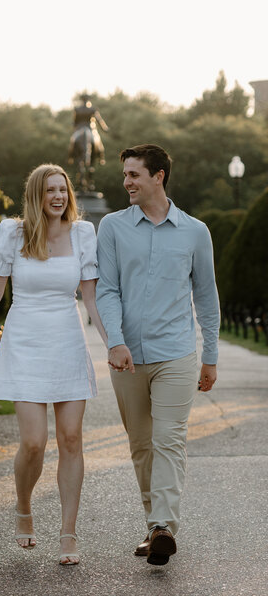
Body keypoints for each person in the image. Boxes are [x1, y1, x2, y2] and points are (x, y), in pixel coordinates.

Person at [0, 163, 107, 566]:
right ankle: (23, 507)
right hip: (24, 343)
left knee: (72, 438)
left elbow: (92, 299)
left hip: (67, 342)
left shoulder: (83, 233)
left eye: (62, 190)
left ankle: (67, 533)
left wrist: (115, 344)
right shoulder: (13, 232)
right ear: (36, 196)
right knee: (33, 442)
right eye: (49, 191)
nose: (58, 197)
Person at [96, 144, 220, 566]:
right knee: (142, 446)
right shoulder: (112, 227)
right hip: (126, 358)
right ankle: (155, 527)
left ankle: (164, 525)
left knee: (169, 440)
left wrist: (211, 355)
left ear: (158, 176)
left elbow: (206, 295)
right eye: (126, 175)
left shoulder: (194, 231)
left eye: (134, 175)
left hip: (176, 355)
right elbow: (107, 290)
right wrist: (114, 339)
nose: (126, 182)